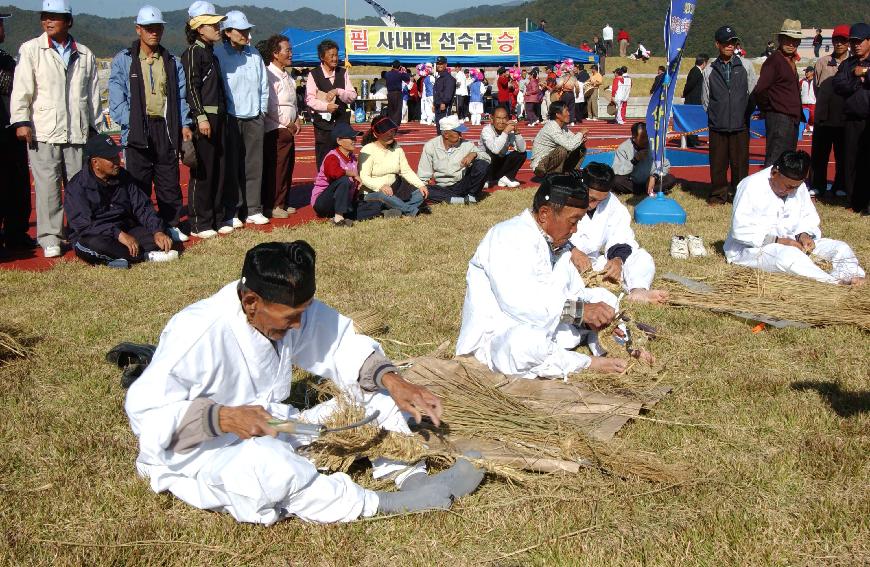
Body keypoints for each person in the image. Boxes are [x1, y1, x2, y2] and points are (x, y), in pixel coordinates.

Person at [125, 240, 484, 525]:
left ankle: (414, 479)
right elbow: (146, 415)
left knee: (376, 398)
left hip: (276, 423)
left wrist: (394, 381)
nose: (298, 326)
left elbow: (340, 344)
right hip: (204, 454)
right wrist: (223, 418)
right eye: (290, 318)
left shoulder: (287, 307)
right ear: (251, 302)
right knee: (268, 467)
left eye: (303, 314)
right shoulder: (196, 332)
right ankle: (386, 503)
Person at [455, 172, 628, 378]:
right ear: (545, 214)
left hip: (552, 328)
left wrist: (602, 315)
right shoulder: (508, 235)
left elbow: (575, 292)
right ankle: (586, 362)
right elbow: (520, 304)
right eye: (573, 221)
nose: (575, 230)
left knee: (606, 299)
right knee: (526, 345)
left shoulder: (558, 245)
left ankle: (611, 343)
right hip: (502, 337)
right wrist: (581, 313)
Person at [10, 0, 100, 258]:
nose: (48, 21)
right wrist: (21, 121)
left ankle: (80, 230)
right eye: (45, 16)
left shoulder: (85, 53)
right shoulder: (31, 50)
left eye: (55, 17)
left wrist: (94, 127)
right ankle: (50, 237)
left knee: (78, 185)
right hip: (44, 129)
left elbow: (92, 94)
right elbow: (22, 89)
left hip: (77, 130)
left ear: (68, 21)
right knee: (47, 186)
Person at [109, 5, 193, 244]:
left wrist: (184, 123)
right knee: (138, 182)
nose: (154, 32)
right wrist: (133, 123)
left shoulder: (171, 61)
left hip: (164, 127)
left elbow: (180, 96)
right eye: (148, 28)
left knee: (169, 180)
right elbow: (117, 100)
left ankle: (172, 223)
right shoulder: (124, 60)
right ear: (138, 29)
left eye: (158, 28)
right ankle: (142, 226)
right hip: (136, 128)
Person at [724, 150, 865, 285]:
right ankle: (832, 282)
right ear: (774, 173)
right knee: (788, 257)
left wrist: (803, 235)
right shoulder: (750, 186)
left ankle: (850, 276)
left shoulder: (799, 186)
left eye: (795, 188)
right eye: (788, 186)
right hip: (752, 249)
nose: (791, 191)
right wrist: (778, 241)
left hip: (794, 242)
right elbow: (740, 230)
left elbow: (808, 216)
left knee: (840, 247)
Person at [64, 134, 176, 268]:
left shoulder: (124, 176)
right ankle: (140, 256)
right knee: (94, 245)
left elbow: (142, 207)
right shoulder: (76, 187)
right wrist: (118, 234)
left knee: (158, 237)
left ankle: (123, 258)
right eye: (111, 158)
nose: (118, 161)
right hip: (95, 234)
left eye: (117, 156)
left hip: (125, 228)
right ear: (95, 163)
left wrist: (158, 231)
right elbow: (83, 226)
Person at [569, 163, 668, 303]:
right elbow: (548, 234)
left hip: (593, 262)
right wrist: (572, 251)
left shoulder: (611, 201)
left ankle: (638, 291)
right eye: (591, 199)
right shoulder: (566, 196)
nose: (594, 205)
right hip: (565, 257)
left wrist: (617, 260)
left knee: (641, 256)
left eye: (600, 200)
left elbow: (621, 234)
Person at [215, 11, 270, 228]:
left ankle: (254, 209)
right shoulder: (219, 54)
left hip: (254, 117)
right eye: (240, 30)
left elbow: (263, 85)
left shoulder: (255, 54)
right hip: (231, 118)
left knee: (254, 165)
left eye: (247, 29)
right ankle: (233, 210)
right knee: (231, 167)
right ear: (227, 32)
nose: (245, 34)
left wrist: (261, 111)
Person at [181, 2, 228, 239]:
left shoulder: (212, 53)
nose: (218, 27)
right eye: (213, 24)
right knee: (204, 171)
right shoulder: (192, 53)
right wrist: (200, 117)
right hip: (205, 119)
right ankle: (200, 222)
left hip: (219, 116)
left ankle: (217, 218)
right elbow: (191, 87)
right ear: (200, 28)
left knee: (219, 168)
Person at [702, 25, 758, 205]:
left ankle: (739, 196)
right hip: (717, 126)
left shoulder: (746, 65)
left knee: (740, 164)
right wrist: (716, 115)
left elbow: (752, 92)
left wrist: (743, 114)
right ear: (717, 44)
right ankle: (718, 195)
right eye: (726, 42)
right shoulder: (709, 70)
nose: (730, 45)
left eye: (733, 42)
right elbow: (706, 99)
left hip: (740, 125)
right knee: (718, 164)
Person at [0, 11, 36, 254]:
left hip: (11, 133)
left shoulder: (6, 59)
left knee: (17, 185)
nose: (3, 28)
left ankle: (16, 234)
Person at [259, 34, 301, 222]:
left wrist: (297, 119)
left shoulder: (288, 76)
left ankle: (282, 201)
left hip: (289, 129)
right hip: (276, 128)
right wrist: (287, 122)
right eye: (287, 50)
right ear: (275, 53)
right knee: (277, 168)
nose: (291, 53)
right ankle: (273, 204)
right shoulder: (269, 74)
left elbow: (292, 103)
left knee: (287, 167)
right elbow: (271, 105)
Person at [753, 19, 803, 166]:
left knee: (787, 160)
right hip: (779, 117)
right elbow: (760, 90)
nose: (791, 43)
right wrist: (769, 108)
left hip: (791, 118)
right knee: (775, 159)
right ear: (780, 39)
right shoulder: (774, 61)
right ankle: (768, 188)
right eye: (788, 39)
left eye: (795, 40)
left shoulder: (790, 61)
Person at [832, 23, 870, 215]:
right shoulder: (848, 64)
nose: (856, 45)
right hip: (851, 120)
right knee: (851, 161)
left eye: (859, 41)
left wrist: (866, 74)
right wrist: (856, 79)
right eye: (853, 42)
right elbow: (838, 85)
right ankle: (854, 201)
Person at [811, 24, 850, 200]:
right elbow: (816, 88)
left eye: (843, 40)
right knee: (819, 155)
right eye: (837, 40)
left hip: (843, 120)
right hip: (823, 118)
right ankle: (817, 185)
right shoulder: (822, 62)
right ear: (832, 41)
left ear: (848, 43)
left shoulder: (852, 64)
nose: (839, 44)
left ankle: (840, 185)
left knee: (842, 156)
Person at [359, 116, 428, 217]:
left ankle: (393, 210)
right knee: (384, 196)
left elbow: (406, 171)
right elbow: (364, 178)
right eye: (385, 133)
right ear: (375, 134)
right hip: (374, 193)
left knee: (420, 194)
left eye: (392, 131)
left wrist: (420, 185)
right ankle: (410, 211)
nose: (390, 135)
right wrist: (381, 186)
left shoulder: (397, 148)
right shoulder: (367, 150)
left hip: (396, 191)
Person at [306, 39, 357, 170]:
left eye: (336, 55)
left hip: (342, 124)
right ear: (322, 57)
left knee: (344, 159)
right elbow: (310, 99)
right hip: (323, 127)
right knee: (324, 159)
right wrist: (326, 107)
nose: (335, 59)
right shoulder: (314, 74)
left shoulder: (343, 73)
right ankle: (324, 188)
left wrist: (339, 91)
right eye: (331, 55)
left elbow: (352, 96)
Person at [418, 115, 490, 204]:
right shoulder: (430, 146)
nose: (461, 136)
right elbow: (423, 175)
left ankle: (470, 196)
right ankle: (461, 200)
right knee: (420, 189)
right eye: (458, 132)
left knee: (482, 164)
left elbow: (487, 158)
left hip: (462, 184)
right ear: (446, 135)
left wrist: (474, 154)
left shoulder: (466, 144)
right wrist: (422, 188)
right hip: (441, 187)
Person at [311, 122, 361, 227]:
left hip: (342, 202)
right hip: (323, 203)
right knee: (344, 180)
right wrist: (352, 174)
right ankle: (339, 218)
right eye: (350, 138)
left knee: (372, 205)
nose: (354, 140)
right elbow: (335, 173)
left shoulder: (353, 159)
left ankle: (386, 211)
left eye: (354, 138)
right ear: (339, 141)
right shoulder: (332, 156)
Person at [612, 122, 676, 195]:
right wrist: (634, 160)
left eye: (647, 136)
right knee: (616, 180)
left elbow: (665, 165)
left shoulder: (653, 145)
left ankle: (648, 189)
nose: (646, 140)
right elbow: (617, 171)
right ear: (634, 137)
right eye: (642, 137)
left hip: (652, 180)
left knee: (671, 179)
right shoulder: (624, 148)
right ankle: (647, 190)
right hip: (633, 182)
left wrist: (654, 176)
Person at [530, 101, 587, 177]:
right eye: (566, 111)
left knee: (581, 148)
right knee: (562, 150)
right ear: (558, 114)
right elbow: (570, 146)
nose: (569, 113)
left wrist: (581, 141)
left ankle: (570, 173)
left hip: (550, 158)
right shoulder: (552, 127)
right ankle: (554, 178)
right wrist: (580, 133)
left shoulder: (562, 126)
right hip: (541, 163)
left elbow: (573, 140)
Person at [479, 106, 525, 188]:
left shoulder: (509, 131)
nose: (501, 122)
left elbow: (522, 149)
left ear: (508, 119)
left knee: (521, 154)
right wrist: (505, 132)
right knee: (492, 154)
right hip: (487, 166)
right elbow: (495, 150)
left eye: (504, 118)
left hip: (499, 163)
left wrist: (517, 132)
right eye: (498, 118)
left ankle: (506, 178)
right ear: (491, 119)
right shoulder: (486, 130)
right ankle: (485, 179)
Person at [682, 54, 708, 148]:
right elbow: (690, 85)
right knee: (691, 121)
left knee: (694, 121)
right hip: (692, 100)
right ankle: (692, 141)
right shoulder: (695, 71)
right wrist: (684, 94)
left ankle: (694, 140)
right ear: (704, 62)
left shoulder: (697, 71)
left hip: (695, 100)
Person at [433, 56, 455, 134]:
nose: (439, 66)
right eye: (438, 64)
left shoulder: (448, 78)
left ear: (445, 65)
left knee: (444, 127)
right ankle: (440, 143)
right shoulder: (439, 77)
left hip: (444, 107)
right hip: (438, 106)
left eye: (441, 64)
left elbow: (448, 92)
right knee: (439, 127)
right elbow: (437, 92)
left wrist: (444, 102)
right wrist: (434, 104)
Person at [384, 59, 408, 128]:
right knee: (397, 110)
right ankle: (396, 125)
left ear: (392, 66)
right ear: (399, 67)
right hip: (397, 93)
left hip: (390, 93)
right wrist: (404, 71)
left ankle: (390, 125)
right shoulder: (399, 74)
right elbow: (407, 78)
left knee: (391, 110)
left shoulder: (387, 74)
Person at [799, 66, 816, 135]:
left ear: (812, 72)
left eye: (807, 71)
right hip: (803, 103)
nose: (806, 73)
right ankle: (805, 128)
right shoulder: (802, 81)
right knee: (804, 117)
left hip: (813, 103)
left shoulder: (816, 81)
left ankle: (811, 128)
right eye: (805, 72)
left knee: (812, 117)